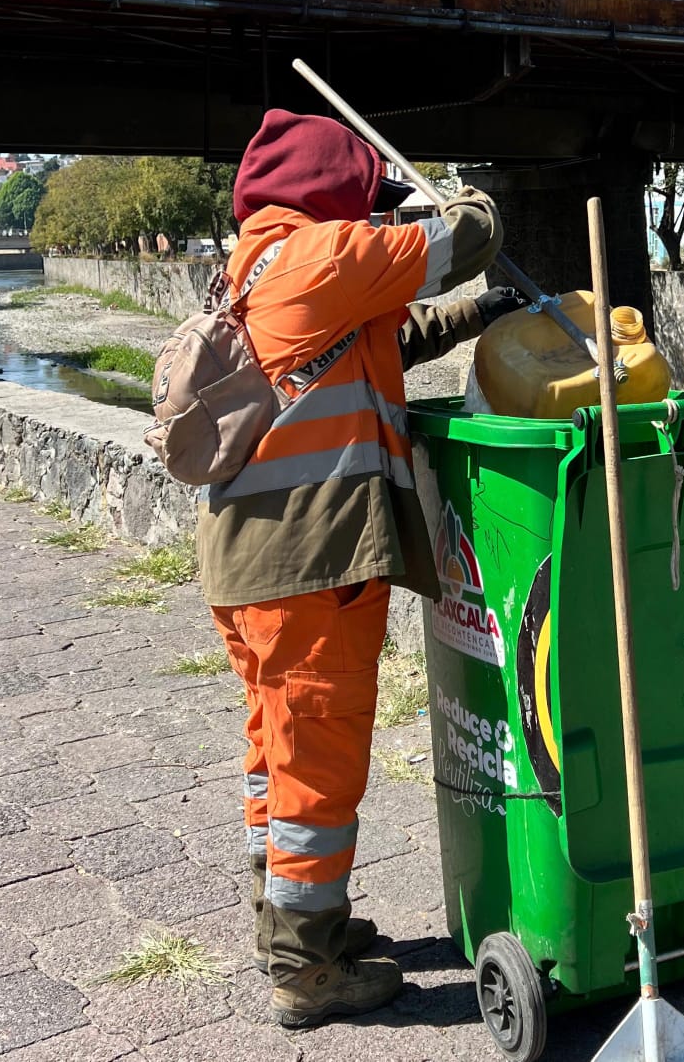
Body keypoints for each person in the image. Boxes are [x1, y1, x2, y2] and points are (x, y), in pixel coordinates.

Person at [201, 109, 523, 1029]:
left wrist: (472, 317)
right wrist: (438, 197)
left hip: (246, 556)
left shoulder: (260, 264)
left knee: (275, 746)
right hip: (309, 560)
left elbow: (387, 337)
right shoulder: (321, 256)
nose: (371, 211)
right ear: (328, 193)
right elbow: (473, 229)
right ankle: (307, 971)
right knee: (317, 757)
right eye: (362, 195)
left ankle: (291, 924)